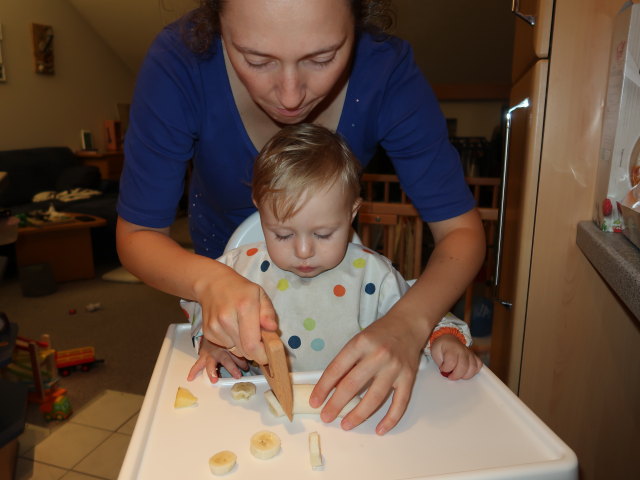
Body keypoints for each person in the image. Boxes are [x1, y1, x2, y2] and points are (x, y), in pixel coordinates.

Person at [116, 0, 486, 435]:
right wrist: (209, 283)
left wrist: (410, 323)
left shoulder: (386, 71)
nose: (291, 97)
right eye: (256, 59)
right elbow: (138, 235)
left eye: (322, 57)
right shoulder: (179, 63)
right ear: (216, 23)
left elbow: (461, 232)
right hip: (215, 275)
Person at [181, 124, 481, 387]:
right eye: (282, 234)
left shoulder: (374, 275)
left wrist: (444, 339)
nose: (303, 251)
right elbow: (200, 305)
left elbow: (424, 314)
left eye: (323, 234)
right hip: (258, 404)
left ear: (351, 213)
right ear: (260, 208)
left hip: (351, 406)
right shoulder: (236, 270)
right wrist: (210, 339)